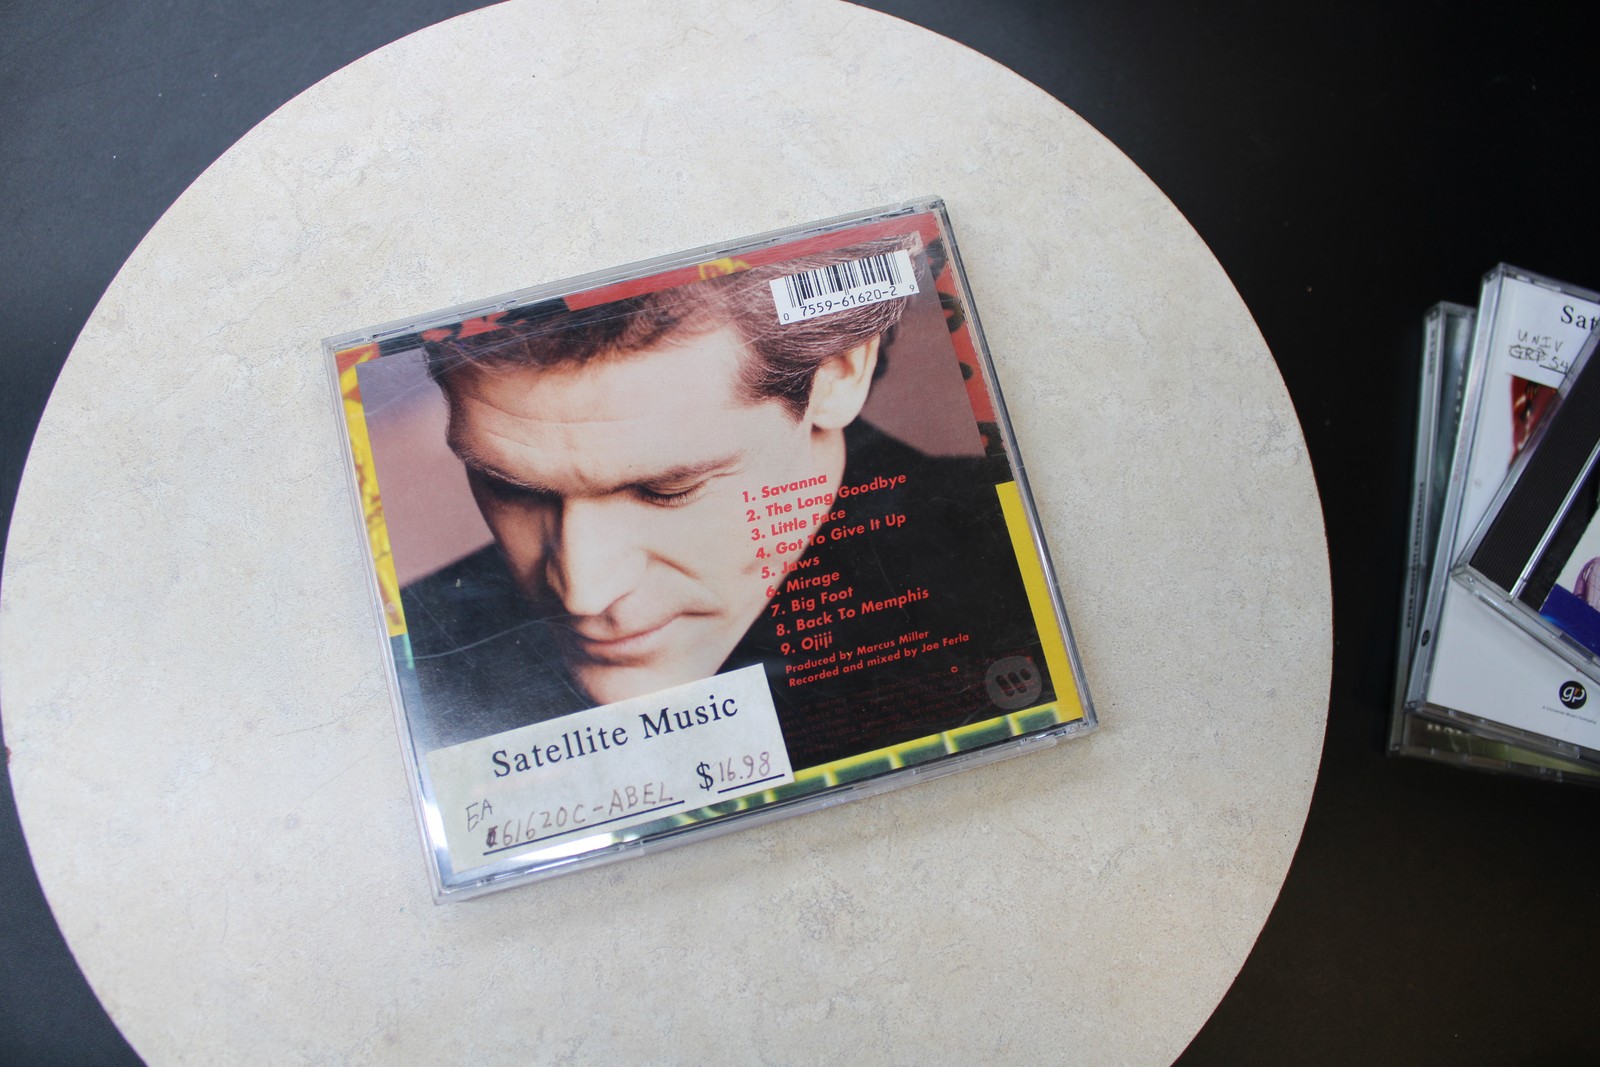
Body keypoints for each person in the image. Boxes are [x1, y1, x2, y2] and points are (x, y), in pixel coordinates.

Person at [398, 238, 1056, 769]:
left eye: (668, 487)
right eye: (509, 485)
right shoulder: (416, 664)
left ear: (838, 372)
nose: (584, 593)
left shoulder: (1023, 569)